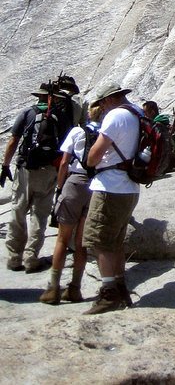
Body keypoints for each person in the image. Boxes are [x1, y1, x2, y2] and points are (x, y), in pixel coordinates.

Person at [81, 83, 142, 314]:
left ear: (108, 100)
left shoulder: (115, 116)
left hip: (110, 186)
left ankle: (108, 295)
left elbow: (94, 156)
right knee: (115, 240)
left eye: (102, 103)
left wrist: (89, 158)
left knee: (100, 240)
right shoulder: (135, 112)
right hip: (130, 186)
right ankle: (120, 286)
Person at [2, 83, 74, 272]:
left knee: (18, 211)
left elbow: (13, 141)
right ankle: (31, 257)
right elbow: (66, 148)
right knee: (39, 215)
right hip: (49, 170)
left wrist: (5, 165)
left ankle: (14, 257)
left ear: (39, 96)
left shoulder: (27, 113)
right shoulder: (61, 117)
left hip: (26, 168)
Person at [38, 105, 103, 305]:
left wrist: (60, 187)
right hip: (95, 185)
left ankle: (53, 288)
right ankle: (75, 288)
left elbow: (65, 161)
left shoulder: (77, 131)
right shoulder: (104, 132)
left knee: (62, 240)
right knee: (81, 243)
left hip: (74, 183)